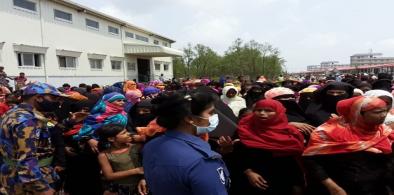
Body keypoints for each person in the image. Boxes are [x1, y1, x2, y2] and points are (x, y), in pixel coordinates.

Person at [142, 92, 230, 195]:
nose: (214, 116)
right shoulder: (202, 162)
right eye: (210, 113)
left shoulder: (151, 146)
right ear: (189, 119)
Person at [303, 96, 394, 195]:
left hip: (376, 188)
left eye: (385, 111)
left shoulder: (384, 132)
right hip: (340, 189)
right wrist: (333, 187)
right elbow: (312, 162)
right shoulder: (328, 132)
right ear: (358, 113)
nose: (383, 115)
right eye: (377, 112)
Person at [0, 82, 66, 195]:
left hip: (12, 174)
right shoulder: (28, 120)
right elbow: (27, 159)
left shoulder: (13, 113)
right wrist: (42, 188)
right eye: (54, 98)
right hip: (31, 182)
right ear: (39, 98)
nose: (57, 102)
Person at [237, 99, 305, 195]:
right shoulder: (245, 129)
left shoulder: (290, 132)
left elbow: (295, 160)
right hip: (255, 181)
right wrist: (248, 172)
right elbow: (238, 155)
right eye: (259, 110)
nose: (262, 113)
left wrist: (298, 184)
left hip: (284, 181)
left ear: (278, 113)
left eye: (268, 110)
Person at [97, 124, 145, 195]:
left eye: (126, 131)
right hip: (122, 188)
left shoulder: (137, 147)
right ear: (111, 139)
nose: (128, 134)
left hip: (141, 185)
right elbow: (109, 176)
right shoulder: (104, 155)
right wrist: (136, 171)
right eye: (124, 133)